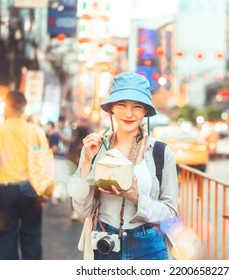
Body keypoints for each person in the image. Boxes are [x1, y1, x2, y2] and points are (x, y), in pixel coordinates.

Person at [71, 72, 178, 260]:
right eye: (122, 105)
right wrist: (87, 162)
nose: (129, 114)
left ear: (145, 111)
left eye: (137, 106)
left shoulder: (161, 153)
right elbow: (82, 210)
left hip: (149, 247)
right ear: (112, 108)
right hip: (105, 243)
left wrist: (135, 196)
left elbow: (170, 217)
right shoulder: (95, 148)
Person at [0, 91, 46, 260]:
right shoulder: (36, 131)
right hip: (31, 190)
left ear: (6, 107)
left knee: (4, 241)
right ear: (24, 109)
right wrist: (45, 191)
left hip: (5, 191)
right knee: (32, 238)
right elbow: (43, 163)